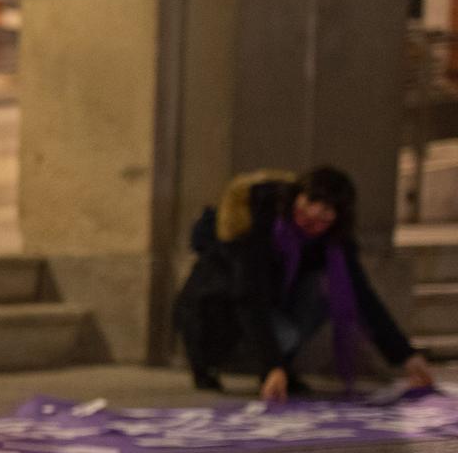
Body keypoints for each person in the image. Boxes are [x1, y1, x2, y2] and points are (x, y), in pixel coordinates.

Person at [174, 166, 435, 399]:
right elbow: (249, 297)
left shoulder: (332, 242)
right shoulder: (259, 224)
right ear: (297, 196)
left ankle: (280, 367)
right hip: (218, 314)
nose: (313, 215)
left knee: (332, 287)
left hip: (269, 310)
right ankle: (234, 365)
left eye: (327, 211)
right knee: (278, 333)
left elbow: (362, 296)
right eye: (311, 201)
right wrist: (271, 367)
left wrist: (406, 356)